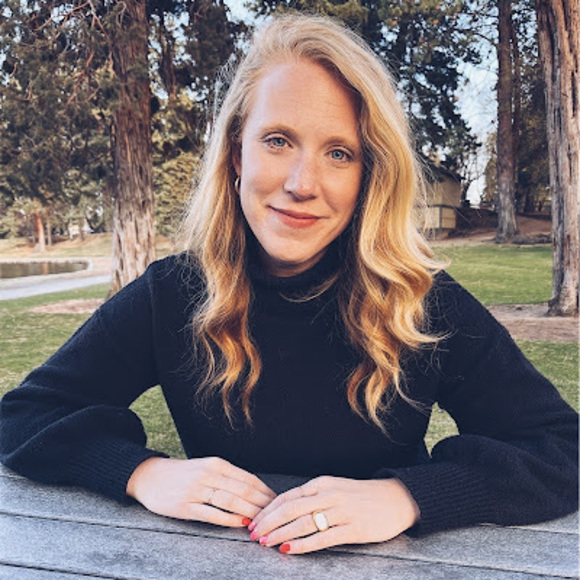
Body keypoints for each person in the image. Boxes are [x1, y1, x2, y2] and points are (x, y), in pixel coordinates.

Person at [0, 14, 577, 556]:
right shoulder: (172, 294)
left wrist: (409, 497)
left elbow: (563, 448)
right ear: (236, 154)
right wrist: (142, 473)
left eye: (339, 153)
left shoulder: (421, 301)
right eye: (278, 140)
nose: (303, 183)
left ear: (370, 176)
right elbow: (24, 415)